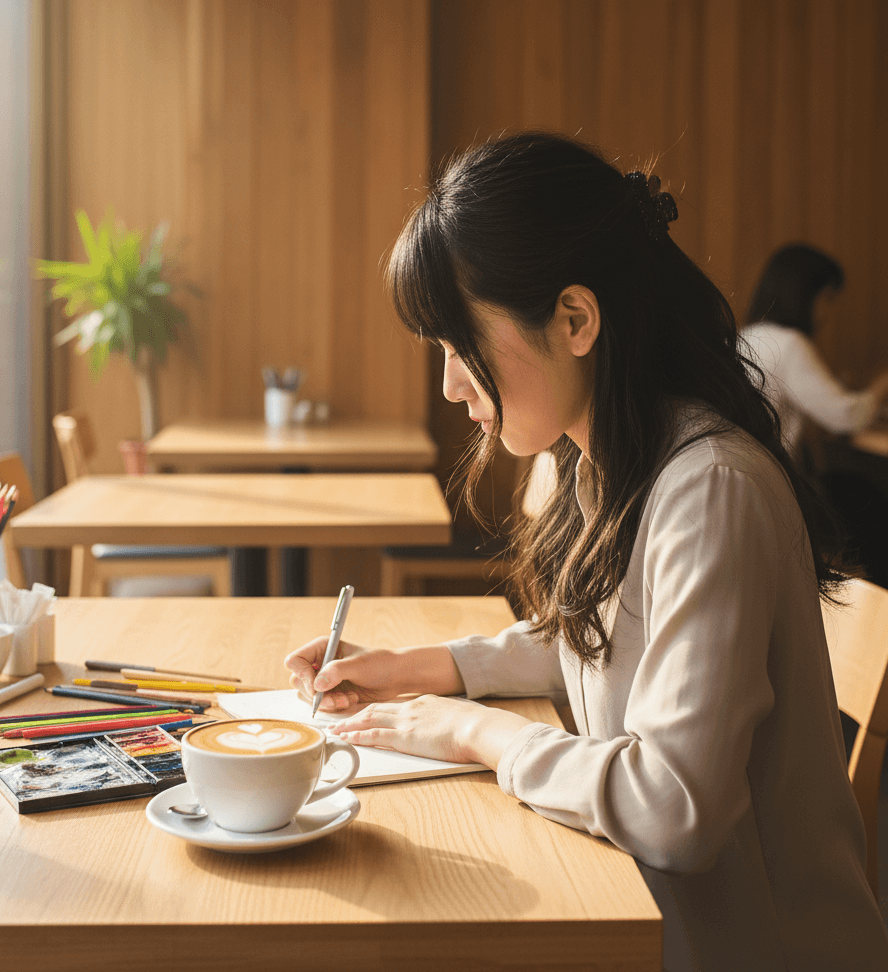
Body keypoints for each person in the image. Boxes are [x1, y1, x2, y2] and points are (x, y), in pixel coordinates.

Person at [284, 132, 888, 971]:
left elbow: (675, 805)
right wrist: (425, 668)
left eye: (462, 348)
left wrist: (472, 732)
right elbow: (613, 641)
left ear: (575, 319)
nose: (453, 385)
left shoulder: (709, 486)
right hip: (651, 918)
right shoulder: (608, 458)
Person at [740, 243, 888, 587]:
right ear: (805, 296)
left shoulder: (746, 337)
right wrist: (881, 385)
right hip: (777, 495)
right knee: (872, 506)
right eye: (825, 300)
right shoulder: (789, 344)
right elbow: (846, 416)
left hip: (749, 491)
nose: (824, 313)